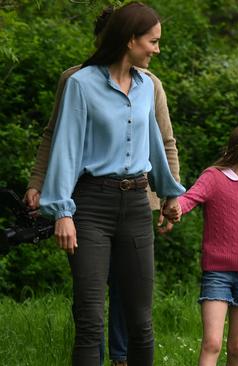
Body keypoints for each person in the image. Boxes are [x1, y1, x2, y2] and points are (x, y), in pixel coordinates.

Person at [24, 5, 180, 365]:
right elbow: (64, 146)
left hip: (137, 206)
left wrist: (170, 193)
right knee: (91, 321)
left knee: (141, 322)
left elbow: (157, 144)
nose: (157, 49)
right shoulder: (80, 84)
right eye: (153, 41)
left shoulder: (146, 87)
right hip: (92, 205)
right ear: (130, 40)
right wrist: (61, 211)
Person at [168, 122, 238, 366]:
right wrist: (174, 209)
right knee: (212, 343)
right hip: (217, 274)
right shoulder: (213, 177)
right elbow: (190, 198)